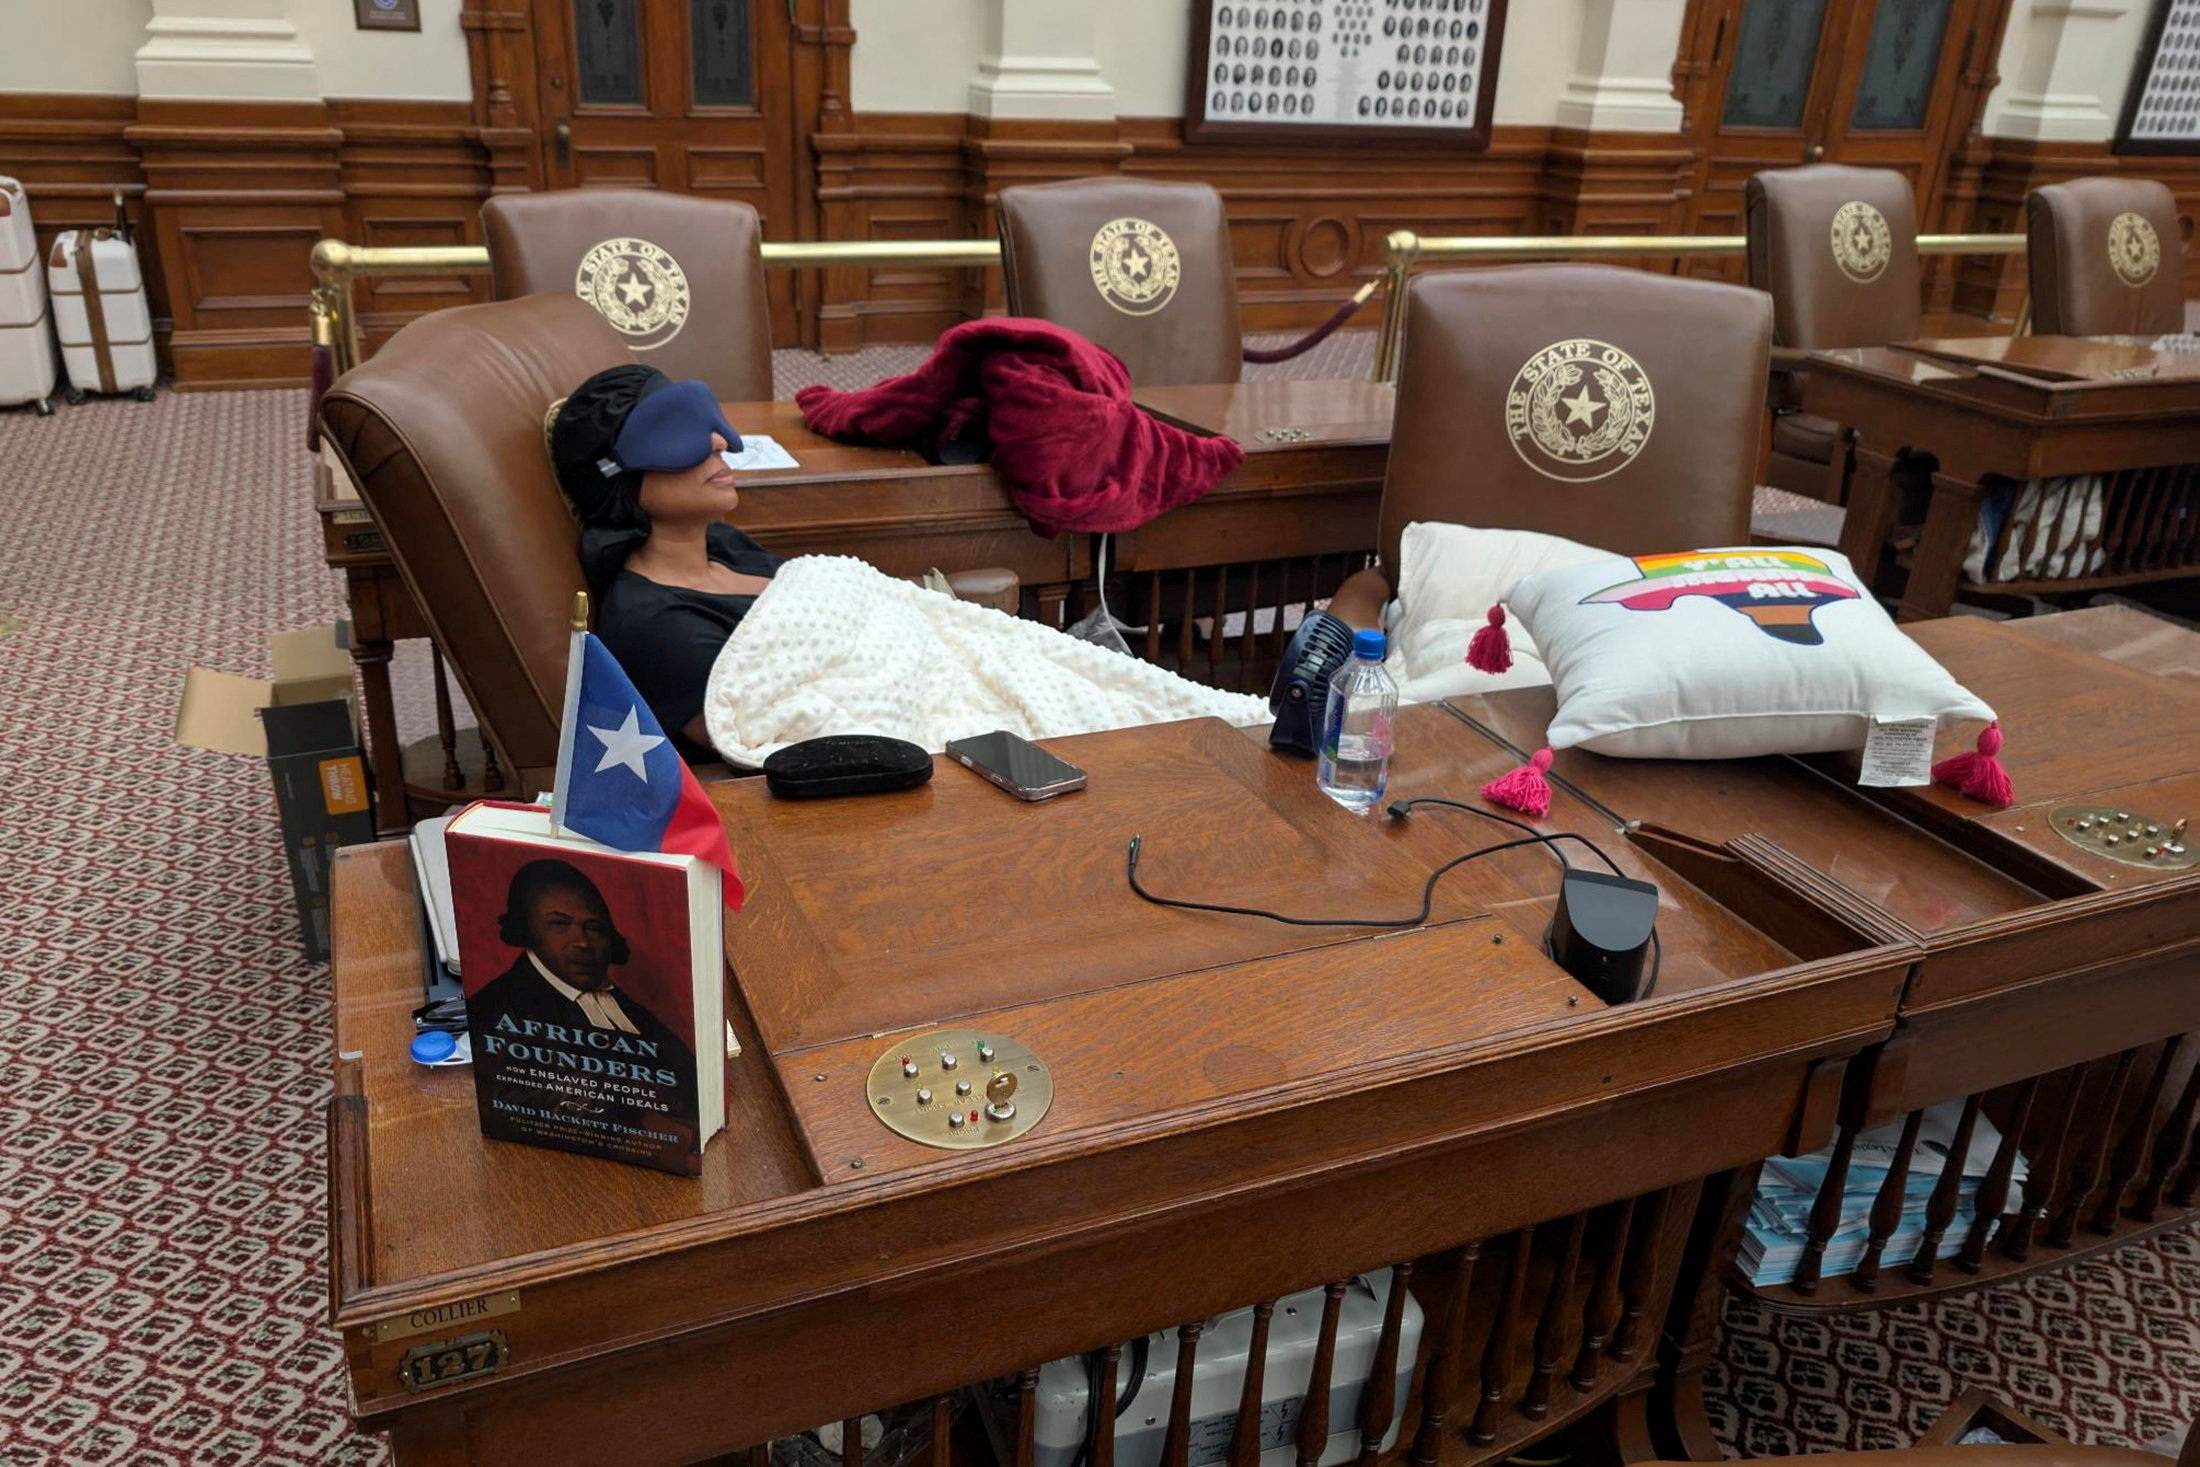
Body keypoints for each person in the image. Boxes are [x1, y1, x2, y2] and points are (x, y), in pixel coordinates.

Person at [548, 365, 779, 760]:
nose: (719, 442)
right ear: (615, 473)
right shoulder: (656, 626)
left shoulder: (724, 545)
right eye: (678, 432)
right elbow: (760, 739)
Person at [465, 857, 694, 1071]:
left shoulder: (627, 1007)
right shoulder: (492, 1011)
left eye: (594, 928)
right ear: (526, 928)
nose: (583, 942)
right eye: (559, 924)